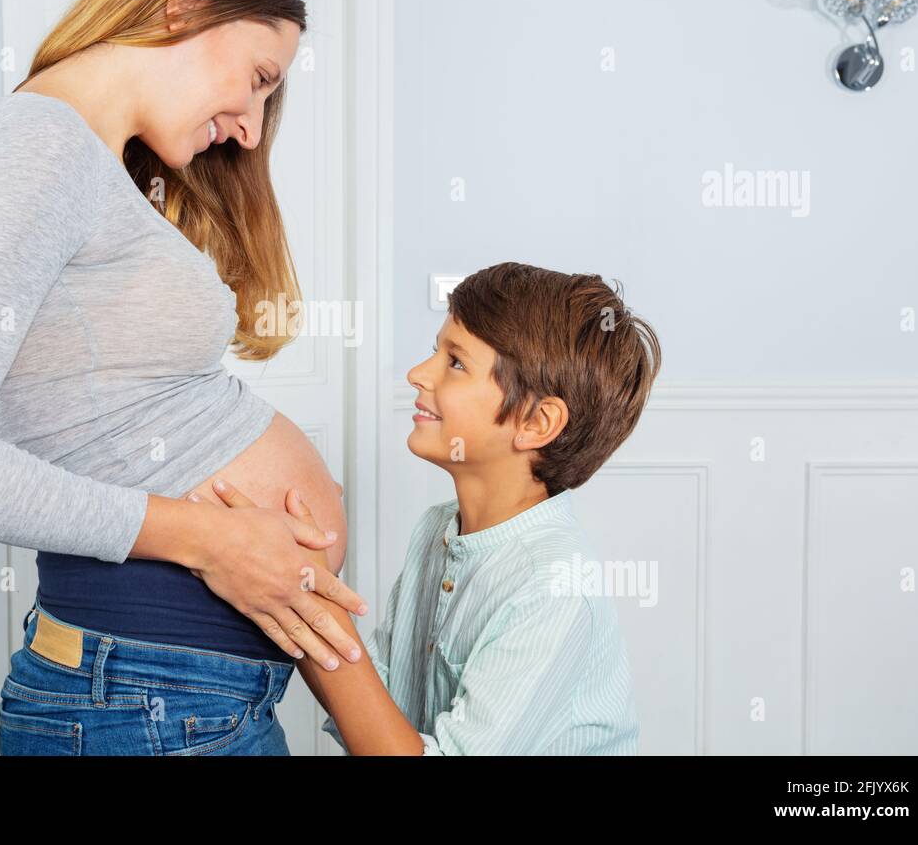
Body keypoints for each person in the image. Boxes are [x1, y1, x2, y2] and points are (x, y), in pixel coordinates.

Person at [0, 0, 365, 756]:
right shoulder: (38, 146)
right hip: (141, 701)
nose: (250, 123)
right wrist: (211, 537)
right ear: (185, 6)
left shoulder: (89, 163)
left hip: (168, 699)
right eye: (259, 76)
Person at [211, 262, 661, 754]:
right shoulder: (437, 532)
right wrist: (293, 583)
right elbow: (374, 705)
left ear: (536, 422)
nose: (417, 374)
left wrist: (300, 587)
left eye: (456, 363)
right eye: (434, 352)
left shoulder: (553, 590)